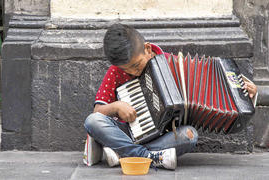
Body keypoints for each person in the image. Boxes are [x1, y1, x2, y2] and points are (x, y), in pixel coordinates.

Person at [84, 23, 258, 170]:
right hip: (125, 132)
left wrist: (245, 94)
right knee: (92, 121)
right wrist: (116, 107)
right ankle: (148, 157)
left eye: (136, 65)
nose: (133, 72)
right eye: (126, 69)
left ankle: (122, 153)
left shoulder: (174, 67)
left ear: (148, 49)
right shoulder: (115, 72)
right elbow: (98, 110)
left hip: (162, 137)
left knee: (189, 135)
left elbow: (210, 90)